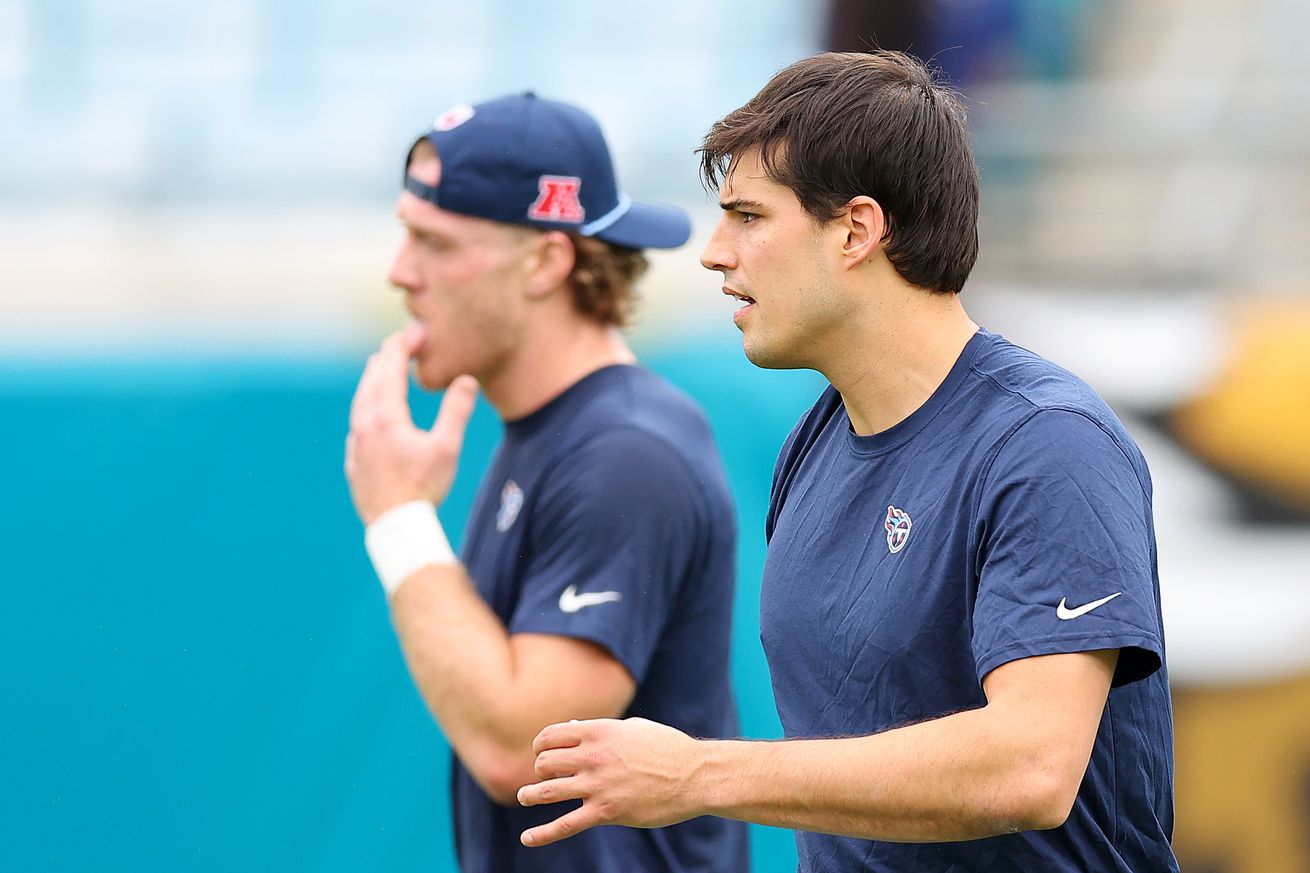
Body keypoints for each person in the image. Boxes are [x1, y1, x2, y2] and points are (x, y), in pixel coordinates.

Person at [517, 51, 1179, 872]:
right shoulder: (814, 443)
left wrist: (700, 771)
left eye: (749, 217)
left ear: (857, 231)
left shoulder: (1051, 445)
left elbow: (1031, 766)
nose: (715, 252)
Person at [344, 92, 749, 873]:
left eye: (434, 242)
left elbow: (519, 749)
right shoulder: (553, 431)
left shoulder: (626, 454)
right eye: (406, 236)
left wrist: (398, 517)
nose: (401, 273)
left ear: (547, 260)